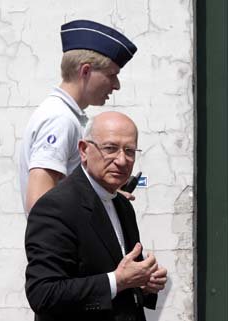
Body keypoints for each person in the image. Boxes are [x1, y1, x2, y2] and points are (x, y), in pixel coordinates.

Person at [25, 111, 167, 321]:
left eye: (129, 151)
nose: (122, 160)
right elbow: (43, 294)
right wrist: (117, 281)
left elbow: (125, 278)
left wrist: (144, 283)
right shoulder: (56, 207)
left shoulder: (122, 205)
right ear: (84, 150)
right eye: (110, 148)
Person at [20, 19, 137, 213]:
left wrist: (107, 197)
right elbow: (40, 204)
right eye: (111, 75)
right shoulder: (60, 119)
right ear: (86, 71)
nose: (116, 85)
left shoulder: (64, 115)